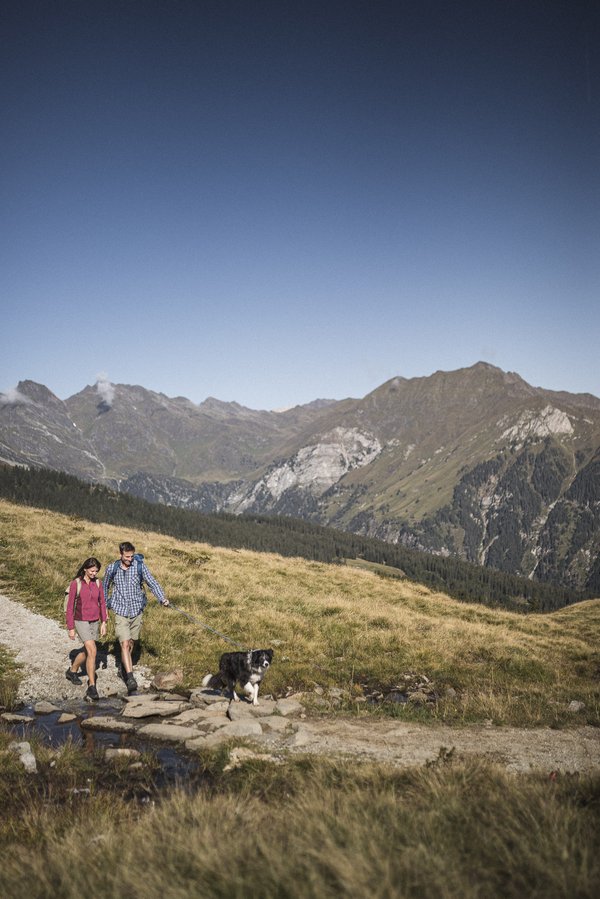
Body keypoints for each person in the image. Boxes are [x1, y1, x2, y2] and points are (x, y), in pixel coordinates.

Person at [103, 541, 169, 694]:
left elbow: (152, 583)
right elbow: (104, 586)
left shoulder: (139, 566)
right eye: (127, 557)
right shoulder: (112, 568)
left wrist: (162, 598)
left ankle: (123, 667)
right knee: (124, 643)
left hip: (136, 610)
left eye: (132, 556)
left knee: (132, 642)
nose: (130, 559)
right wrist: (105, 606)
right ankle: (130, 677)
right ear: (120, 555)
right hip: (120, 611)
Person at [65, 557, 108, 703]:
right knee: (93, 650)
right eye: (92, 570)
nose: (94, 573)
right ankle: (92, 685)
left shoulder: (98, 583)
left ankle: (72, 671)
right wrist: (71, 627)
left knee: (86, 650)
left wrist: (104, 622)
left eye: (96, 571)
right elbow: (70, 607)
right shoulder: (75, 584)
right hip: (80, 620)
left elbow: (102, 602)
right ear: (85, 569)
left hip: (94, 620)